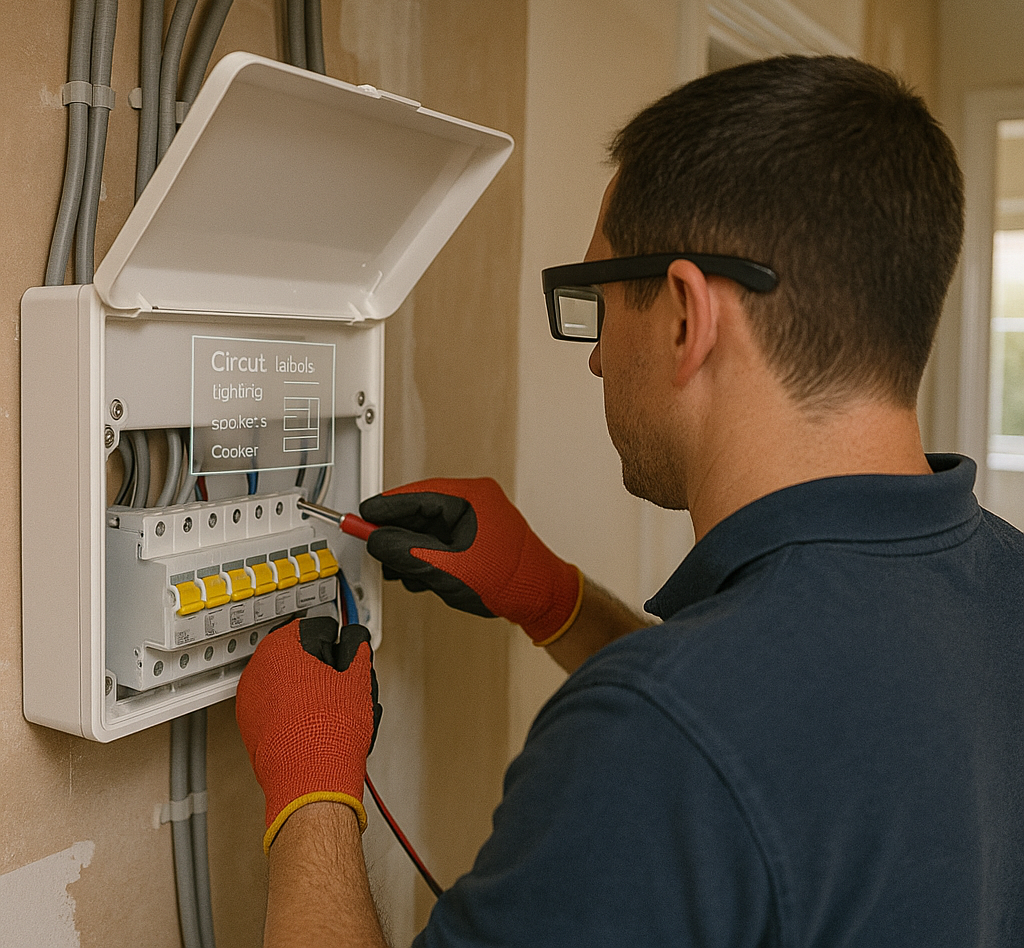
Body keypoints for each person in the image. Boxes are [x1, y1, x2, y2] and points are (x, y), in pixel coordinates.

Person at [234, 55, 1024, 947]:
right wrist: (557, 602)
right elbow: (789, 753)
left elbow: (718, 746)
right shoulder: (1004, 582)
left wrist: (311, 795)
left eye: (597, 303)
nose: (597, 359)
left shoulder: (653, 737)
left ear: (686, 318)